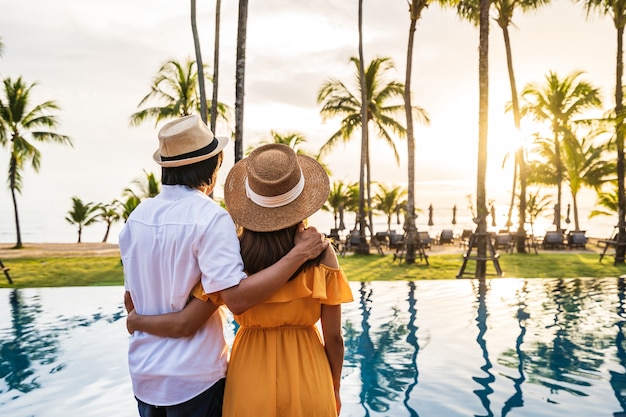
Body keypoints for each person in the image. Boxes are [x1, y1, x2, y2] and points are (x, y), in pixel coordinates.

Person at [120, 116, 329, 417]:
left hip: (145, 376)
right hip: (195, 379)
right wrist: (298, 254)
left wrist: (138, 322)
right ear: (213, 168)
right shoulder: (210, 218)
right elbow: (237, 299)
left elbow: (131, 301)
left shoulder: (136, 218)